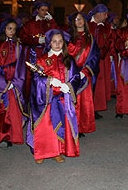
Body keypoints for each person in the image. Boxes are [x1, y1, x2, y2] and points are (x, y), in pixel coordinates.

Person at [28, 29, 82, 164]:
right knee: (45, 126)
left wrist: (68, 86)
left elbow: (76, 77)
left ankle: (56, 152)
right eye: (54, 41)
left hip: (63, 98)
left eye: (60, 41)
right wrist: (50, 81)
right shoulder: (42, 59)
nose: (57, 44)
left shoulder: (68, 60)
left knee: (60, 125)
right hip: (47, 99)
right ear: (49, 43)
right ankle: (41, 152)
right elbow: (36, 78)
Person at [0, 19, 28, 148]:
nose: (12, 31)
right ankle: (5, 137)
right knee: (2, 110)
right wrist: (3, 82)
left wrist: (16, 81)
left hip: (14, 82)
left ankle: (15, 136)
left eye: (14, 29)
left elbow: (21, 66)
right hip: (0, 82)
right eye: (9, 28)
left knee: (14, 110)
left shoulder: (18, 46)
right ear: (4, 29)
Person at [68, 12, 100, 136]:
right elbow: (66, 55)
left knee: (84, 102)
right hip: (72, 74)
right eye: (76, 19)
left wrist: (86, 71)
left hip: (85, 73)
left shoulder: (90, 38)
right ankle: (72, 126)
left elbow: (95, 57)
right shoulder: (69, 37)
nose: (78, 21)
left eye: (80, 19)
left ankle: (81, 127)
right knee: (73, 101)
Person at [87, 4, 117, 116]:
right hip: (89, 59)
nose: (106, 17)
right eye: (105, 14)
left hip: (101, 59)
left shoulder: (107, 27)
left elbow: (110, 40)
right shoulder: (88, 25)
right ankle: (88, 108)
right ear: (98, 14)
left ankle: (96, 108)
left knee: (99, 83)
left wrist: (101, 52)